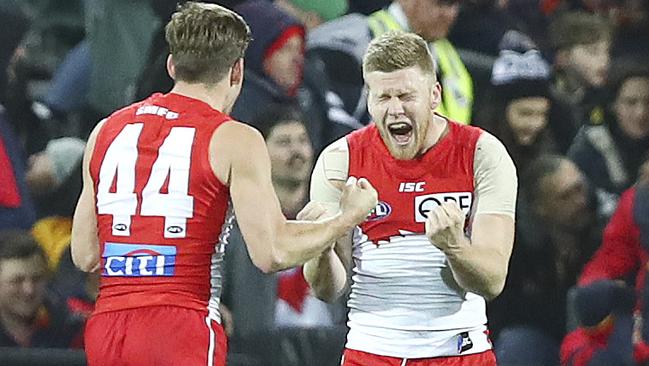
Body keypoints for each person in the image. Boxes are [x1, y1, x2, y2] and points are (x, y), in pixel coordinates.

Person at [70, 3, 378, 366]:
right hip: (181, 324)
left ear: (172, 66)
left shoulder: (106, 130)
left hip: (108, 326)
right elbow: (273, 253)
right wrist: (345, 219)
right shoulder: (233, 138)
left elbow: (85, 254)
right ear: (237, 70)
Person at [302, 31, 517, 365]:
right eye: (383, 97)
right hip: (371, 352)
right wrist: (319, 245)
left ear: (434, 95)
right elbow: (328, 289)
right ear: (368, 98)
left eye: (405, 96)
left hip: (459, 352)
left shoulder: (482, 154)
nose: (395, 109)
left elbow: (492, 281)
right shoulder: (340, 160)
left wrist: (454, 246)